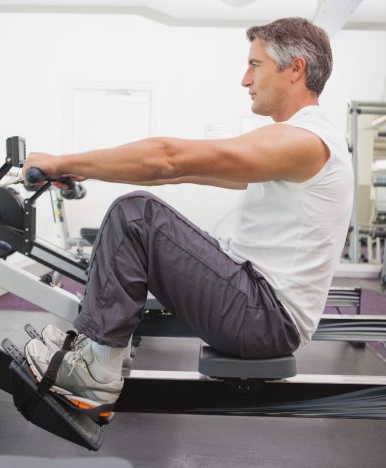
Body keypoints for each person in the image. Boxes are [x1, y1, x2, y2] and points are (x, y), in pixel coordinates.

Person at [22, 17, 353, 421]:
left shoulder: (305, 140)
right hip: (261, 309)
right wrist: (89, 169)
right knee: (147, 219)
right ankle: (96, 350)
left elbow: (167, 159)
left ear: (295, 69)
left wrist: (64, 160)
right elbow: (183, 170)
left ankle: (95, 370)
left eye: (255, 65)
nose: (245, 79)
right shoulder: (302, 139)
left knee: (136, 216)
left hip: (264, 318)